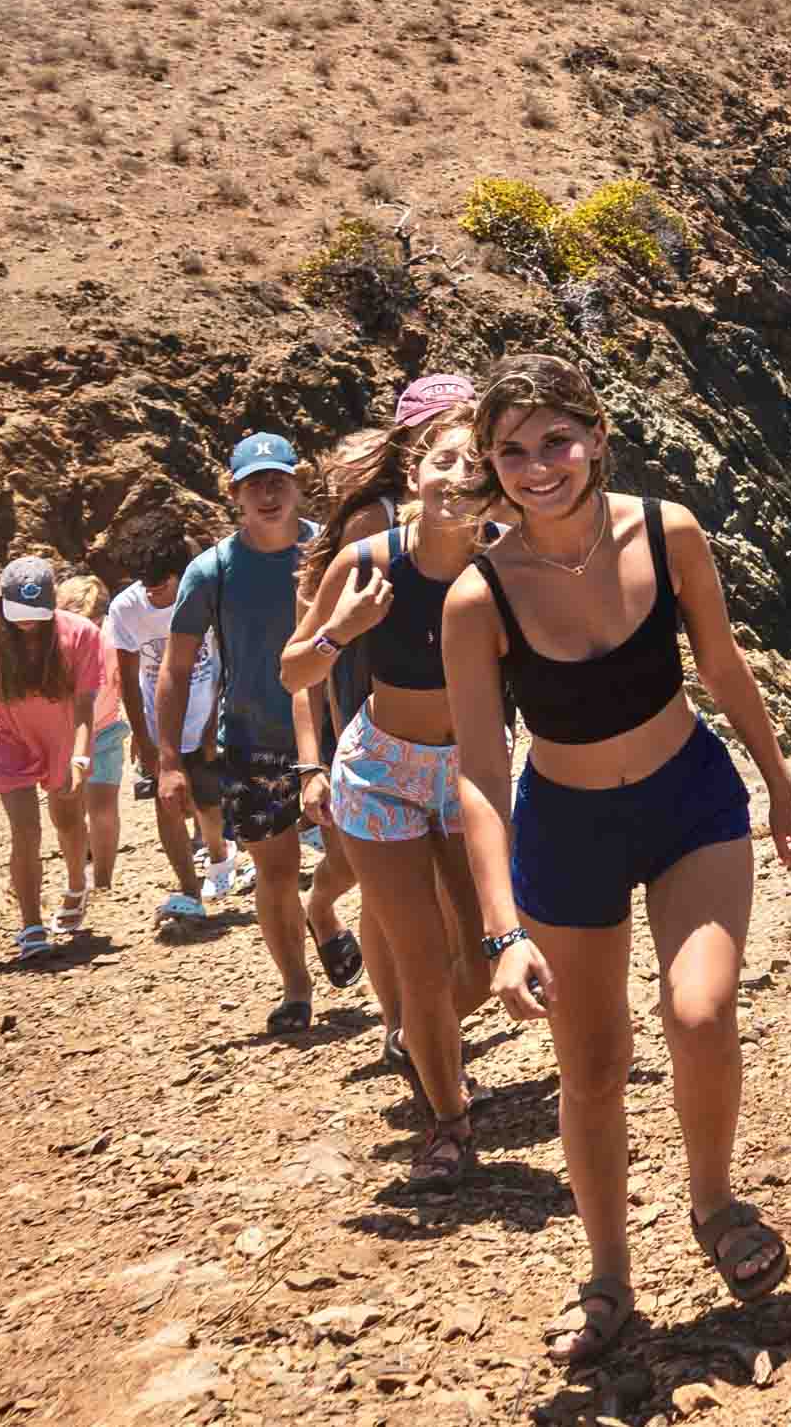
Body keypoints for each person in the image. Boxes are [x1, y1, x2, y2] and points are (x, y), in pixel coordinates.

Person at [442, 355, 791, 1362]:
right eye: (511, 450)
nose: (536, 465)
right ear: (491, 462)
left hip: (687, 797)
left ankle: (714, 1203)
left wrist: (781, 785)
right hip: (565, 827)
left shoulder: (669, 531)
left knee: (699, 1010)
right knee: (593, 1062)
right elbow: (478, 772)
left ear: (597, 436)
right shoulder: (478, 595)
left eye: (555, 440)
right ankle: (608, 1276)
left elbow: (724, 663)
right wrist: (502, 927)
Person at [281, 399, 494, 1190]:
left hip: (469, 772)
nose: (459, 478)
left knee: (479, 963)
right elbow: (294, 672)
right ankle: (449, 1120)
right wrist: (341, 628)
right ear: (416, 472)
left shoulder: (507, 562)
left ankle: (420, 1039)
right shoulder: (369, 560)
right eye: (445, 461)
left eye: (478, 466)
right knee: (420, 963)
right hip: (379, 775)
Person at [156, 432, 360, 1033]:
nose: (268, 493)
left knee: (351, 861)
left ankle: (322, 910)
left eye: (278, 480)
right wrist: (169, 759)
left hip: (334, 734)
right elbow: (175, 667)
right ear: (235, 495)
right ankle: (297, 991)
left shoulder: (332, 553)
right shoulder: (212, 570)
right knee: (273, 872)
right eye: (254, 484)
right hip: (251, 740)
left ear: (298, 485)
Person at [307, 375, 479, 1082]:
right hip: (374, 746)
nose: (461, 469)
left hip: (458, 753)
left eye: (475, 449)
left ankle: (415, 1026)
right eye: (443, 444)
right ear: (414, 453)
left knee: (453, 929)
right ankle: (405, 1032)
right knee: (391, 908)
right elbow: (314, 654)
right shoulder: (371, 532)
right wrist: (312, 761)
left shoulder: (485, 536)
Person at [0, 557, 105, 961]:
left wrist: (79, 757)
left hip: (62, 738)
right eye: (18, 614)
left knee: (68, 820)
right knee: (25, 831)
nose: (27, 622)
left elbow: (84, 705)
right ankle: (31, 925)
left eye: (36, 614)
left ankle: (77, 883)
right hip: (11, 741)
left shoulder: (80, 635)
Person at [105, 519, 234, 929]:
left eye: (160, 581)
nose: (151, 589)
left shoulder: (208, 595)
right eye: (144, 580)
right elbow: (127, 678)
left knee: (209, 802)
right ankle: (190, 890)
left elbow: (224, 660)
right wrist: (143, 738)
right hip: (159, 723)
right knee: (168, 804)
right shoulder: (126, 609)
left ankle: (219, 856)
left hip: (205, 714)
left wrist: (215, 723)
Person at [55, 575, 132, 904]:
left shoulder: (106, 641)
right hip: (81, 733)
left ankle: (92, 879)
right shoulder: (106, 637)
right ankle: (91, 876)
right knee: (86, 810)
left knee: (89, 809)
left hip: (88, 732)